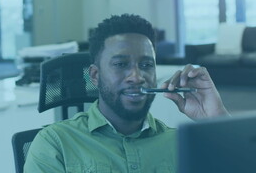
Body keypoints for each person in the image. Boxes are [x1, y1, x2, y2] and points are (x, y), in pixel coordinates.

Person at [24, 14, 229, 172]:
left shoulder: (180, 144)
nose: (136, 76)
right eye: (121, 64)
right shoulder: (55, 143)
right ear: (95, 75)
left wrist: (216, 118)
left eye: (146, 64)